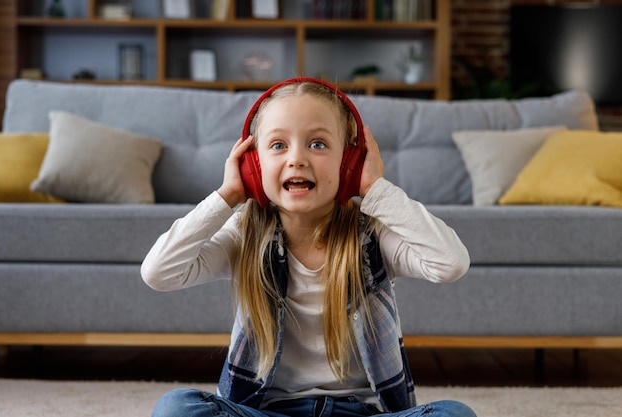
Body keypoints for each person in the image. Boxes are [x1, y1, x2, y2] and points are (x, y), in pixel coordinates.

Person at [141, 78, 476, 417]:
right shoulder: (245, 235)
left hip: (362, 412)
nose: (297, 158)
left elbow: (451, 263)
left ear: (349, 162)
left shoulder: (374, 236)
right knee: (176, 408)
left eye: (317, 144)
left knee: (455, 414)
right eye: (277, 146)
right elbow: (159, 272)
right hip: (271, 412)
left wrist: (375, 188)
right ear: (254, 167)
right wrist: (227, 196)